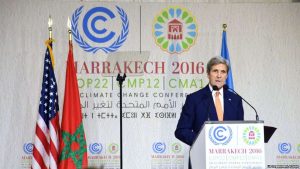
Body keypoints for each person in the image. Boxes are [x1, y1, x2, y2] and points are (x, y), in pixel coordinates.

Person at [175, 56, 244, 158]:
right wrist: (202, 142)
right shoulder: (194, 99)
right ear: (208, 74)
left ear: (227, 75)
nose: (219, 75)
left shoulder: (235, 100)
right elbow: (181, 130)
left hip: (230, 158)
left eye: (223, 72)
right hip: (202, 156)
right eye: (215, 71)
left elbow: (240, 130)